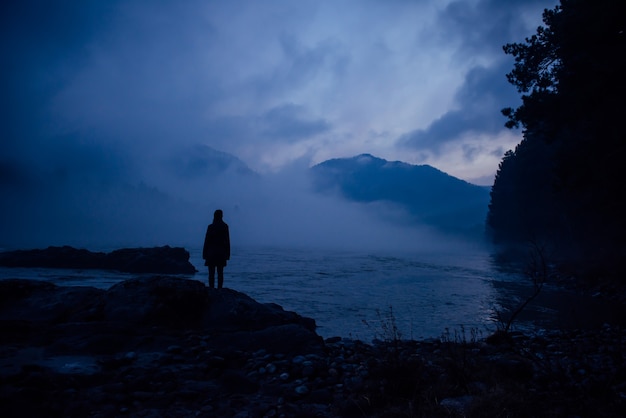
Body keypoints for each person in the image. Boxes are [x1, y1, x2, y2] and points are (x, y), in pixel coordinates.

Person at [202, 209, 230, 289]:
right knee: (220, 273)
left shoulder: (211, 227)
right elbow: (227, 242)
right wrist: (227, 254)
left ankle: (212, 289)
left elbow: (206, 241)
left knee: (211, 273)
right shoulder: (225, 226)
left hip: (211, 253)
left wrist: (204, 254)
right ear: (222, 216)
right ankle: (219, 289)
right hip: (221, 253)